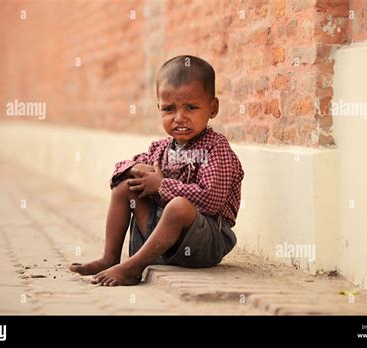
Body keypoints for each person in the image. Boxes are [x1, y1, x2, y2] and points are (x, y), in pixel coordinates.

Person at [70, 55, 244, 286]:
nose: (179, 118)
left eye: (191, 107)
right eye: (169, 109)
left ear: (213, 108)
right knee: (125, 187)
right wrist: (136, 170)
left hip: (205, 242)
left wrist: (162, 186)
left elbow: (211, 200)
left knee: (179, 206)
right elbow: (118, 172)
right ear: (159, 108)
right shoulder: (160, 148)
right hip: (162, 240)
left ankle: (133, 267)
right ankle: (110, 257)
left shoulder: (216, 148)